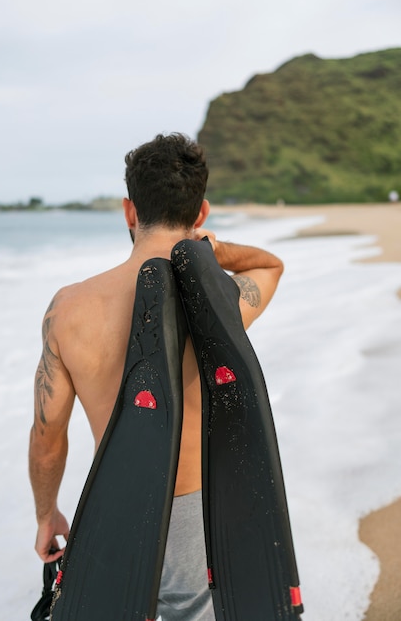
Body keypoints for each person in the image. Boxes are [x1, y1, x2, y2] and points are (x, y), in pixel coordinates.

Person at [29, 133, 284, 620]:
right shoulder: (222, 304)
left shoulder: (68, 310)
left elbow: (47, 436)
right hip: (195, 514)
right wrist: (211, 251)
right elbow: (271, 265)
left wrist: (48, 515)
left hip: (113, 502)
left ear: (129, 210)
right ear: (202, 212)